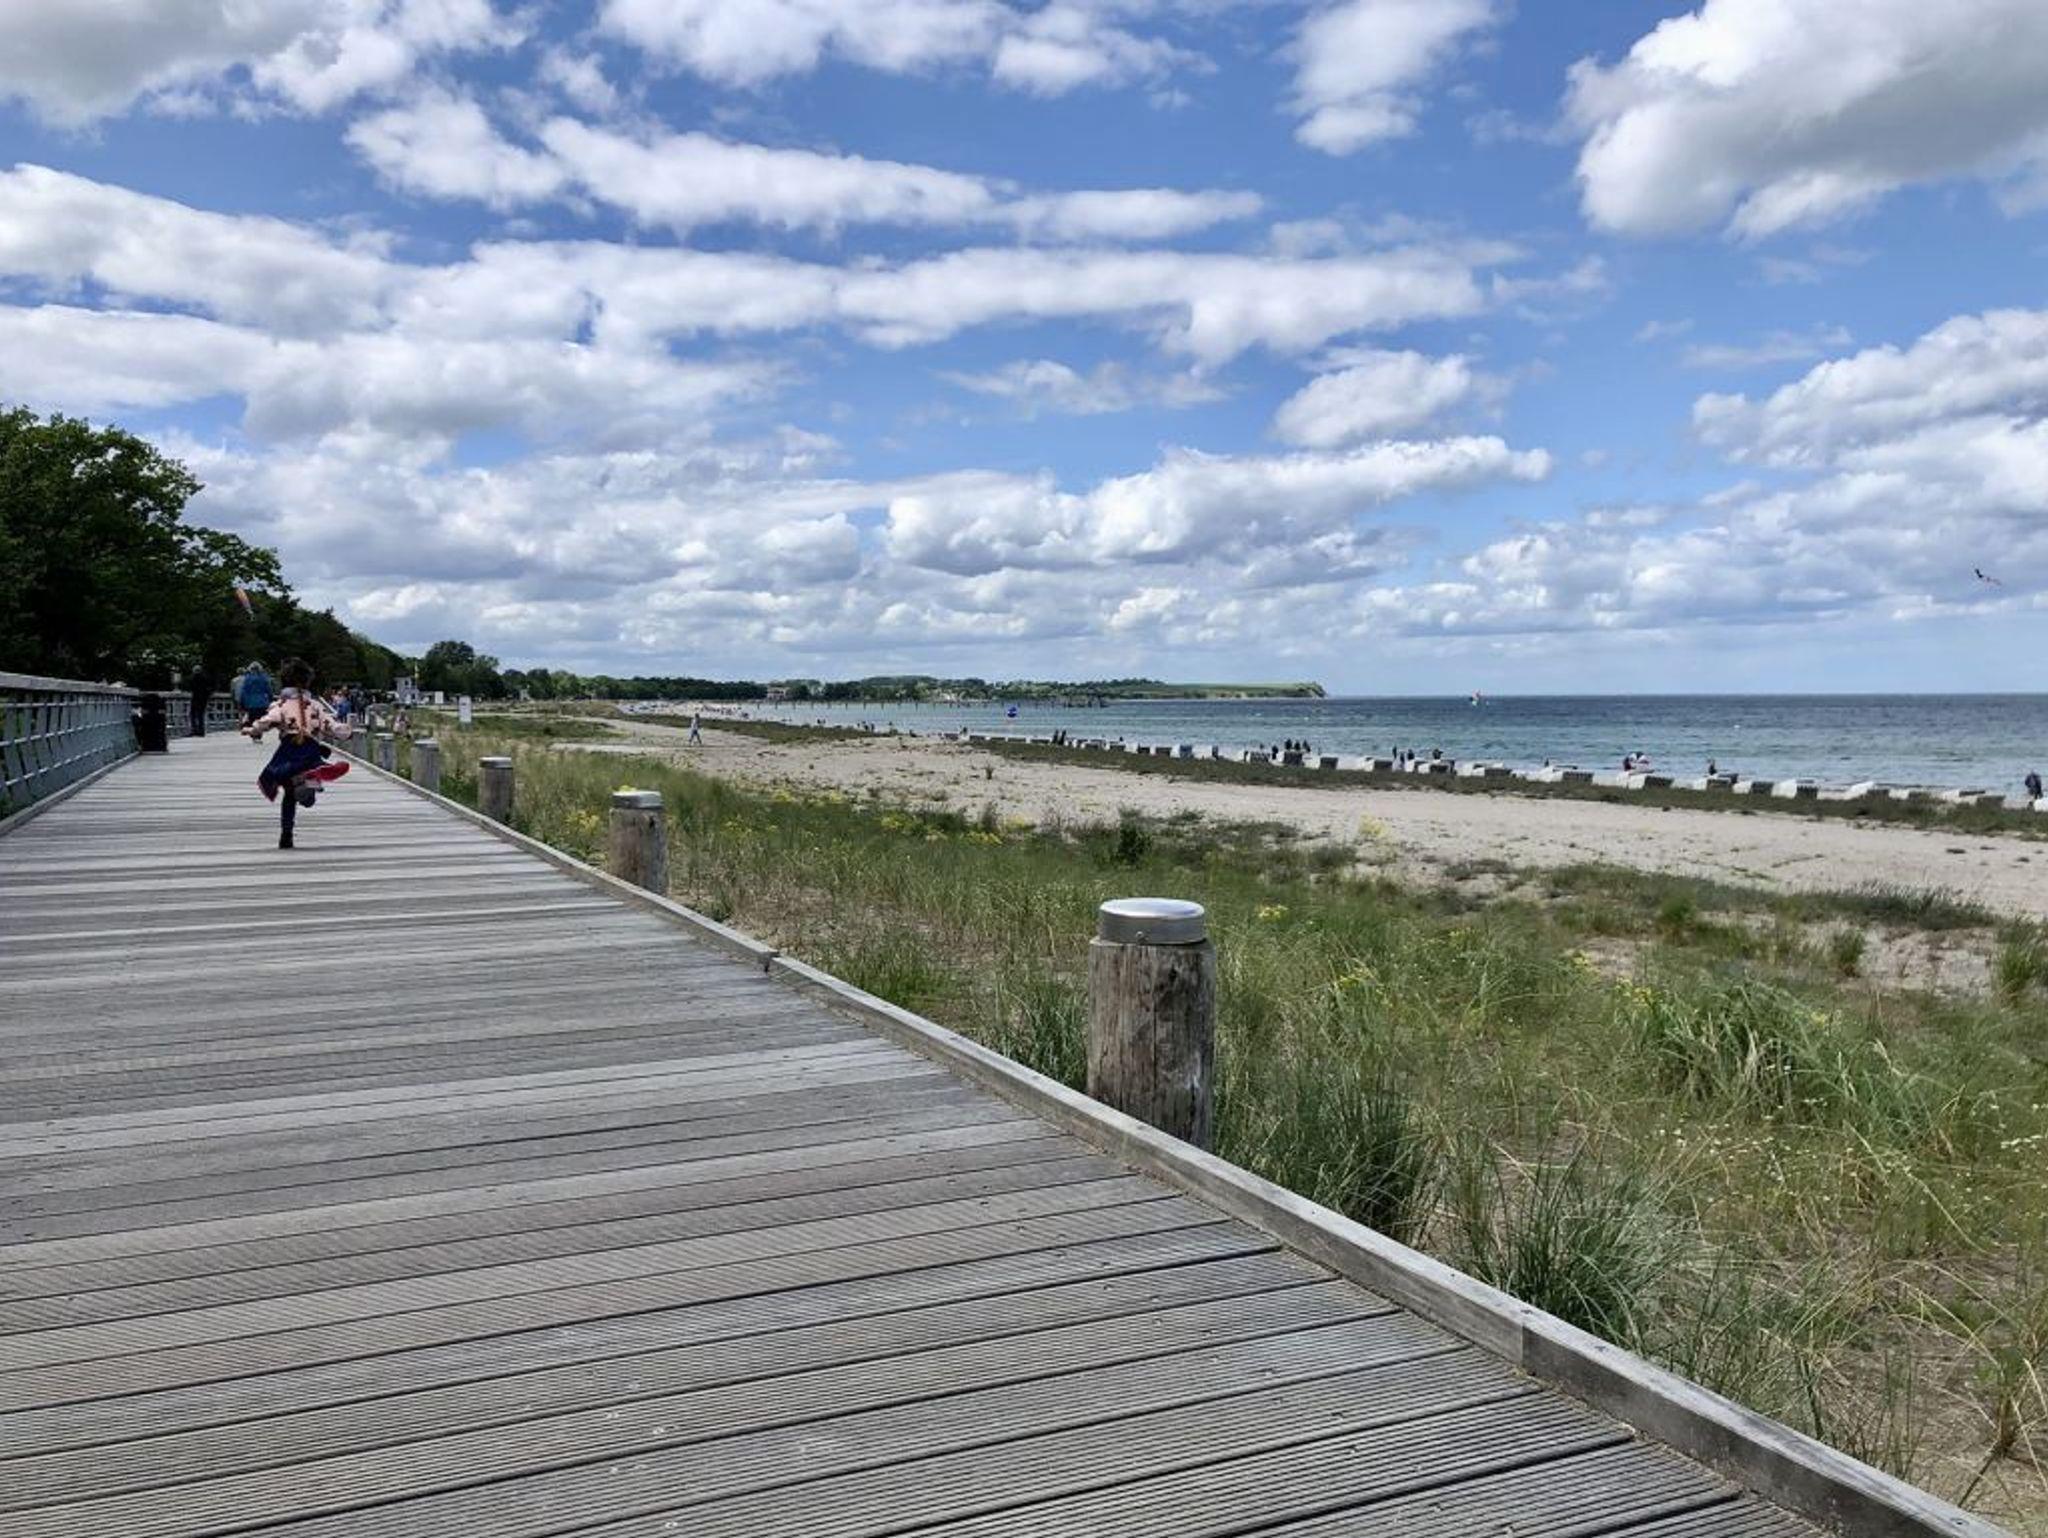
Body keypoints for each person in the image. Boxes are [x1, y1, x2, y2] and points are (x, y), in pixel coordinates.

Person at [242, 658, 350, 850]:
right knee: (308, 795)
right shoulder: (315, 705)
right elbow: (329, 724)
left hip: (288, 751)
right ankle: (312, 778)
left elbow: (268, 721)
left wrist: (252, 729)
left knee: (289, 796)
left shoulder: (281, 704)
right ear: (308, 681)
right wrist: (344, 732)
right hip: (309, 749)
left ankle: (286, 835)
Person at [232, 659, 273, 730]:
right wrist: (270, 699)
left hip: (250, 703)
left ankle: (254, 732)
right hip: (262, 702)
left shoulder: (247, 679)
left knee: (252, 719)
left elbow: (244, 691)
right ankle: (259, 731)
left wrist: (242, 702)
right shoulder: (264, 678)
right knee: (260, 719)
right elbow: (269, 690)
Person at [187, 663, 215, 738]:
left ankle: (194, 730)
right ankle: (201, 731)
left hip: (195, 698)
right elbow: (211, 687)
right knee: (200, 715)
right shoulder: (206, 678)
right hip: (203, 699)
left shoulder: (193, 678)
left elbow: (190, 687)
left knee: (193, 714)